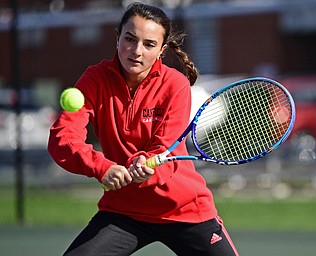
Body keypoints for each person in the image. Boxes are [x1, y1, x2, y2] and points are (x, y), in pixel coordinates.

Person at [48, 2, 239, 255]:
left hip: (185, 209)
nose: (136, 51)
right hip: (123, 211)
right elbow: (63, 137)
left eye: (149, 44)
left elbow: (165, 150)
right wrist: (101, 167)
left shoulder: (176, 85)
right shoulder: (94, 79)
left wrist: (146, 165)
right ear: (117, 38)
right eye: (130, 39)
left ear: (161, 50)